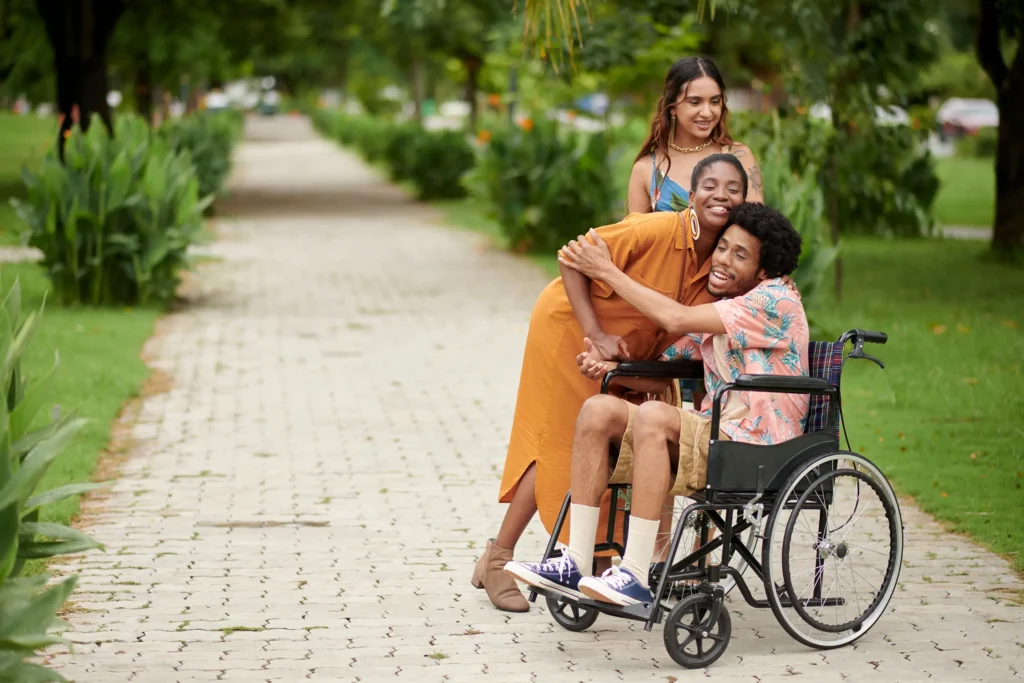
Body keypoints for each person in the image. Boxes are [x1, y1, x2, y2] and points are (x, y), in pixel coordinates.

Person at [472, 155, 749, 612]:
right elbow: (571, 258)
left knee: (617, 440)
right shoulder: (655, 229)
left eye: (733, 188)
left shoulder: (722, 265)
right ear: (692, 194)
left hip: (629, 351)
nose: (721, 195)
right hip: (572, 327)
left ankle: (608, 561)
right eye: (711, 186)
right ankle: (499, 557)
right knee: (566, 441)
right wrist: (595, 335)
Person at [504, 202, 809, 605]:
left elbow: (676, 320)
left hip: (758, 446)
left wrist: (607, 271)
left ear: (764, 270)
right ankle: (575, 560)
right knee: (599, 411)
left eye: (740, 254)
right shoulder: (722, 310)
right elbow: (663, 368)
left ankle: (634, 573)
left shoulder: (773, 300)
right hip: (719, 433)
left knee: (654, 415)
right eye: (723, 247)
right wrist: (609, 365)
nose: (723, 259)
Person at [627, 56, 764, 214]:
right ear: (672, 107)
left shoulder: (738, 156)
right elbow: (636, 236)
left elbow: (757, 227)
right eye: (695, 102)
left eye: (714, 102)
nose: (707, 112)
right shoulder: (646, 169)